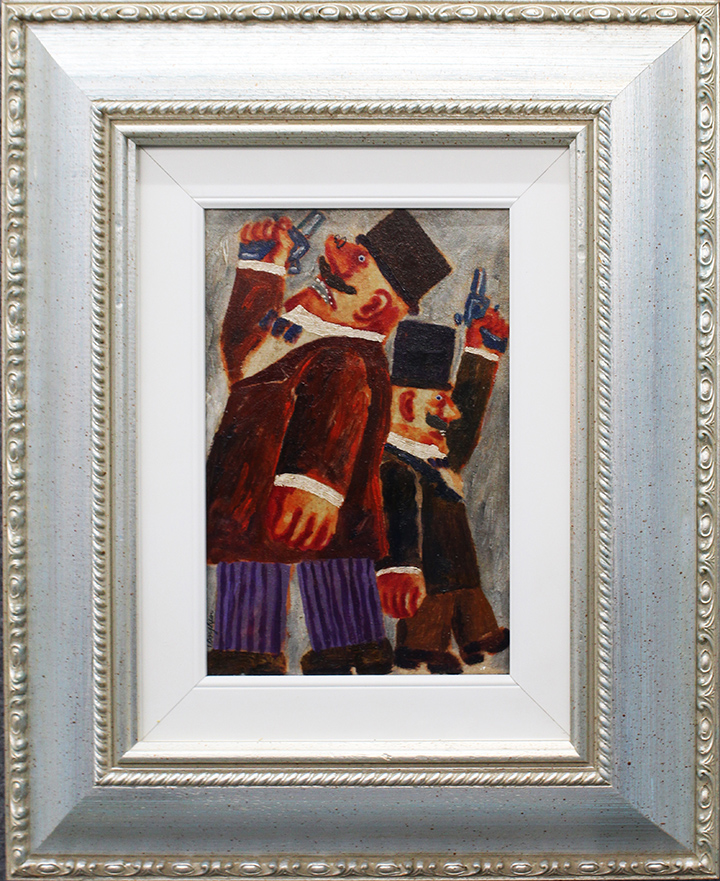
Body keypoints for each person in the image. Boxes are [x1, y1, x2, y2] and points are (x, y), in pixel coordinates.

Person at [206, 210, 452, 675]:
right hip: (251, 501)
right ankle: (249, 669)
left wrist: (314, 482)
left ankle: (350, 670)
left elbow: (341, 411)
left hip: (314, 511)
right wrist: (262, 266)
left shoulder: (347, 356)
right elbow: (243, 361)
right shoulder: (302, 330)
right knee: (252, 607)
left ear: (374, 305)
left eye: (357, 259)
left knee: (336, 597)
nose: (332, 249)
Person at [375, 311, 510, 674]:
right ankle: (422, 646)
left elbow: (465, 422)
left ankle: (476, 632)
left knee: (464, 580)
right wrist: (400, 566)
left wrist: (482, 353)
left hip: (455, 560)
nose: (452, 412)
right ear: (407, 405)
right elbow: (397, 524)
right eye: (439, 400)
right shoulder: (394, 467)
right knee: (435, 594)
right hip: (426, 567)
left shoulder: (436, 455)